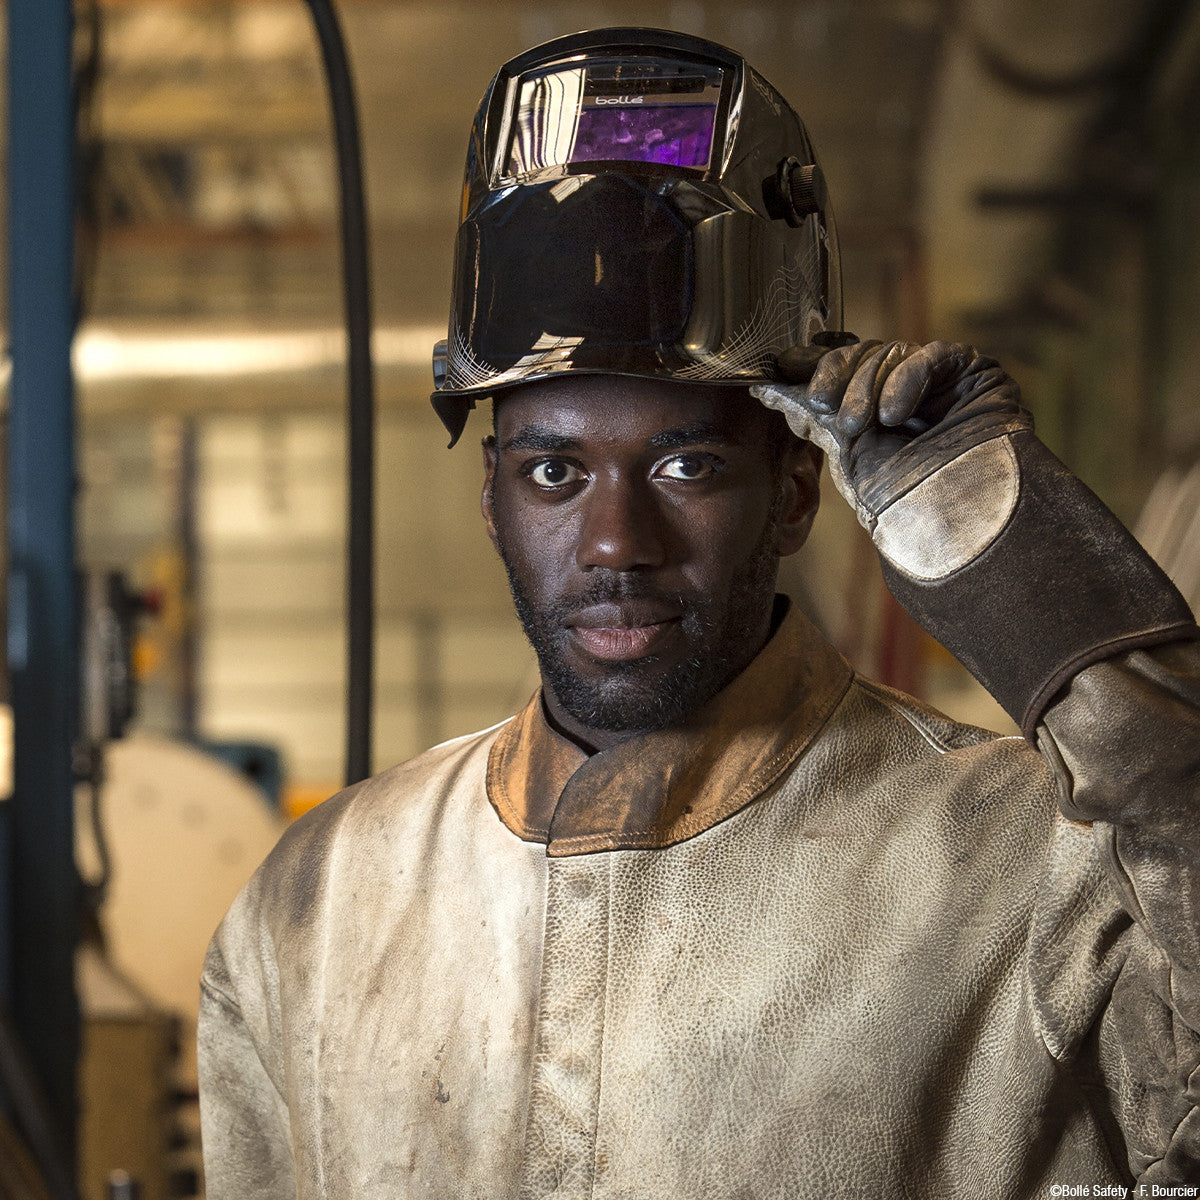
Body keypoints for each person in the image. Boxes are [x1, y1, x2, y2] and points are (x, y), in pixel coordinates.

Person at [198, 28, 1200, 1198]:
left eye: (687, 466)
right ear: (492, 502)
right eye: (554, 472)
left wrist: (1032, 573)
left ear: (795, 491)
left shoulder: (1038, 868)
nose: (616, 543)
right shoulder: (317, 905)